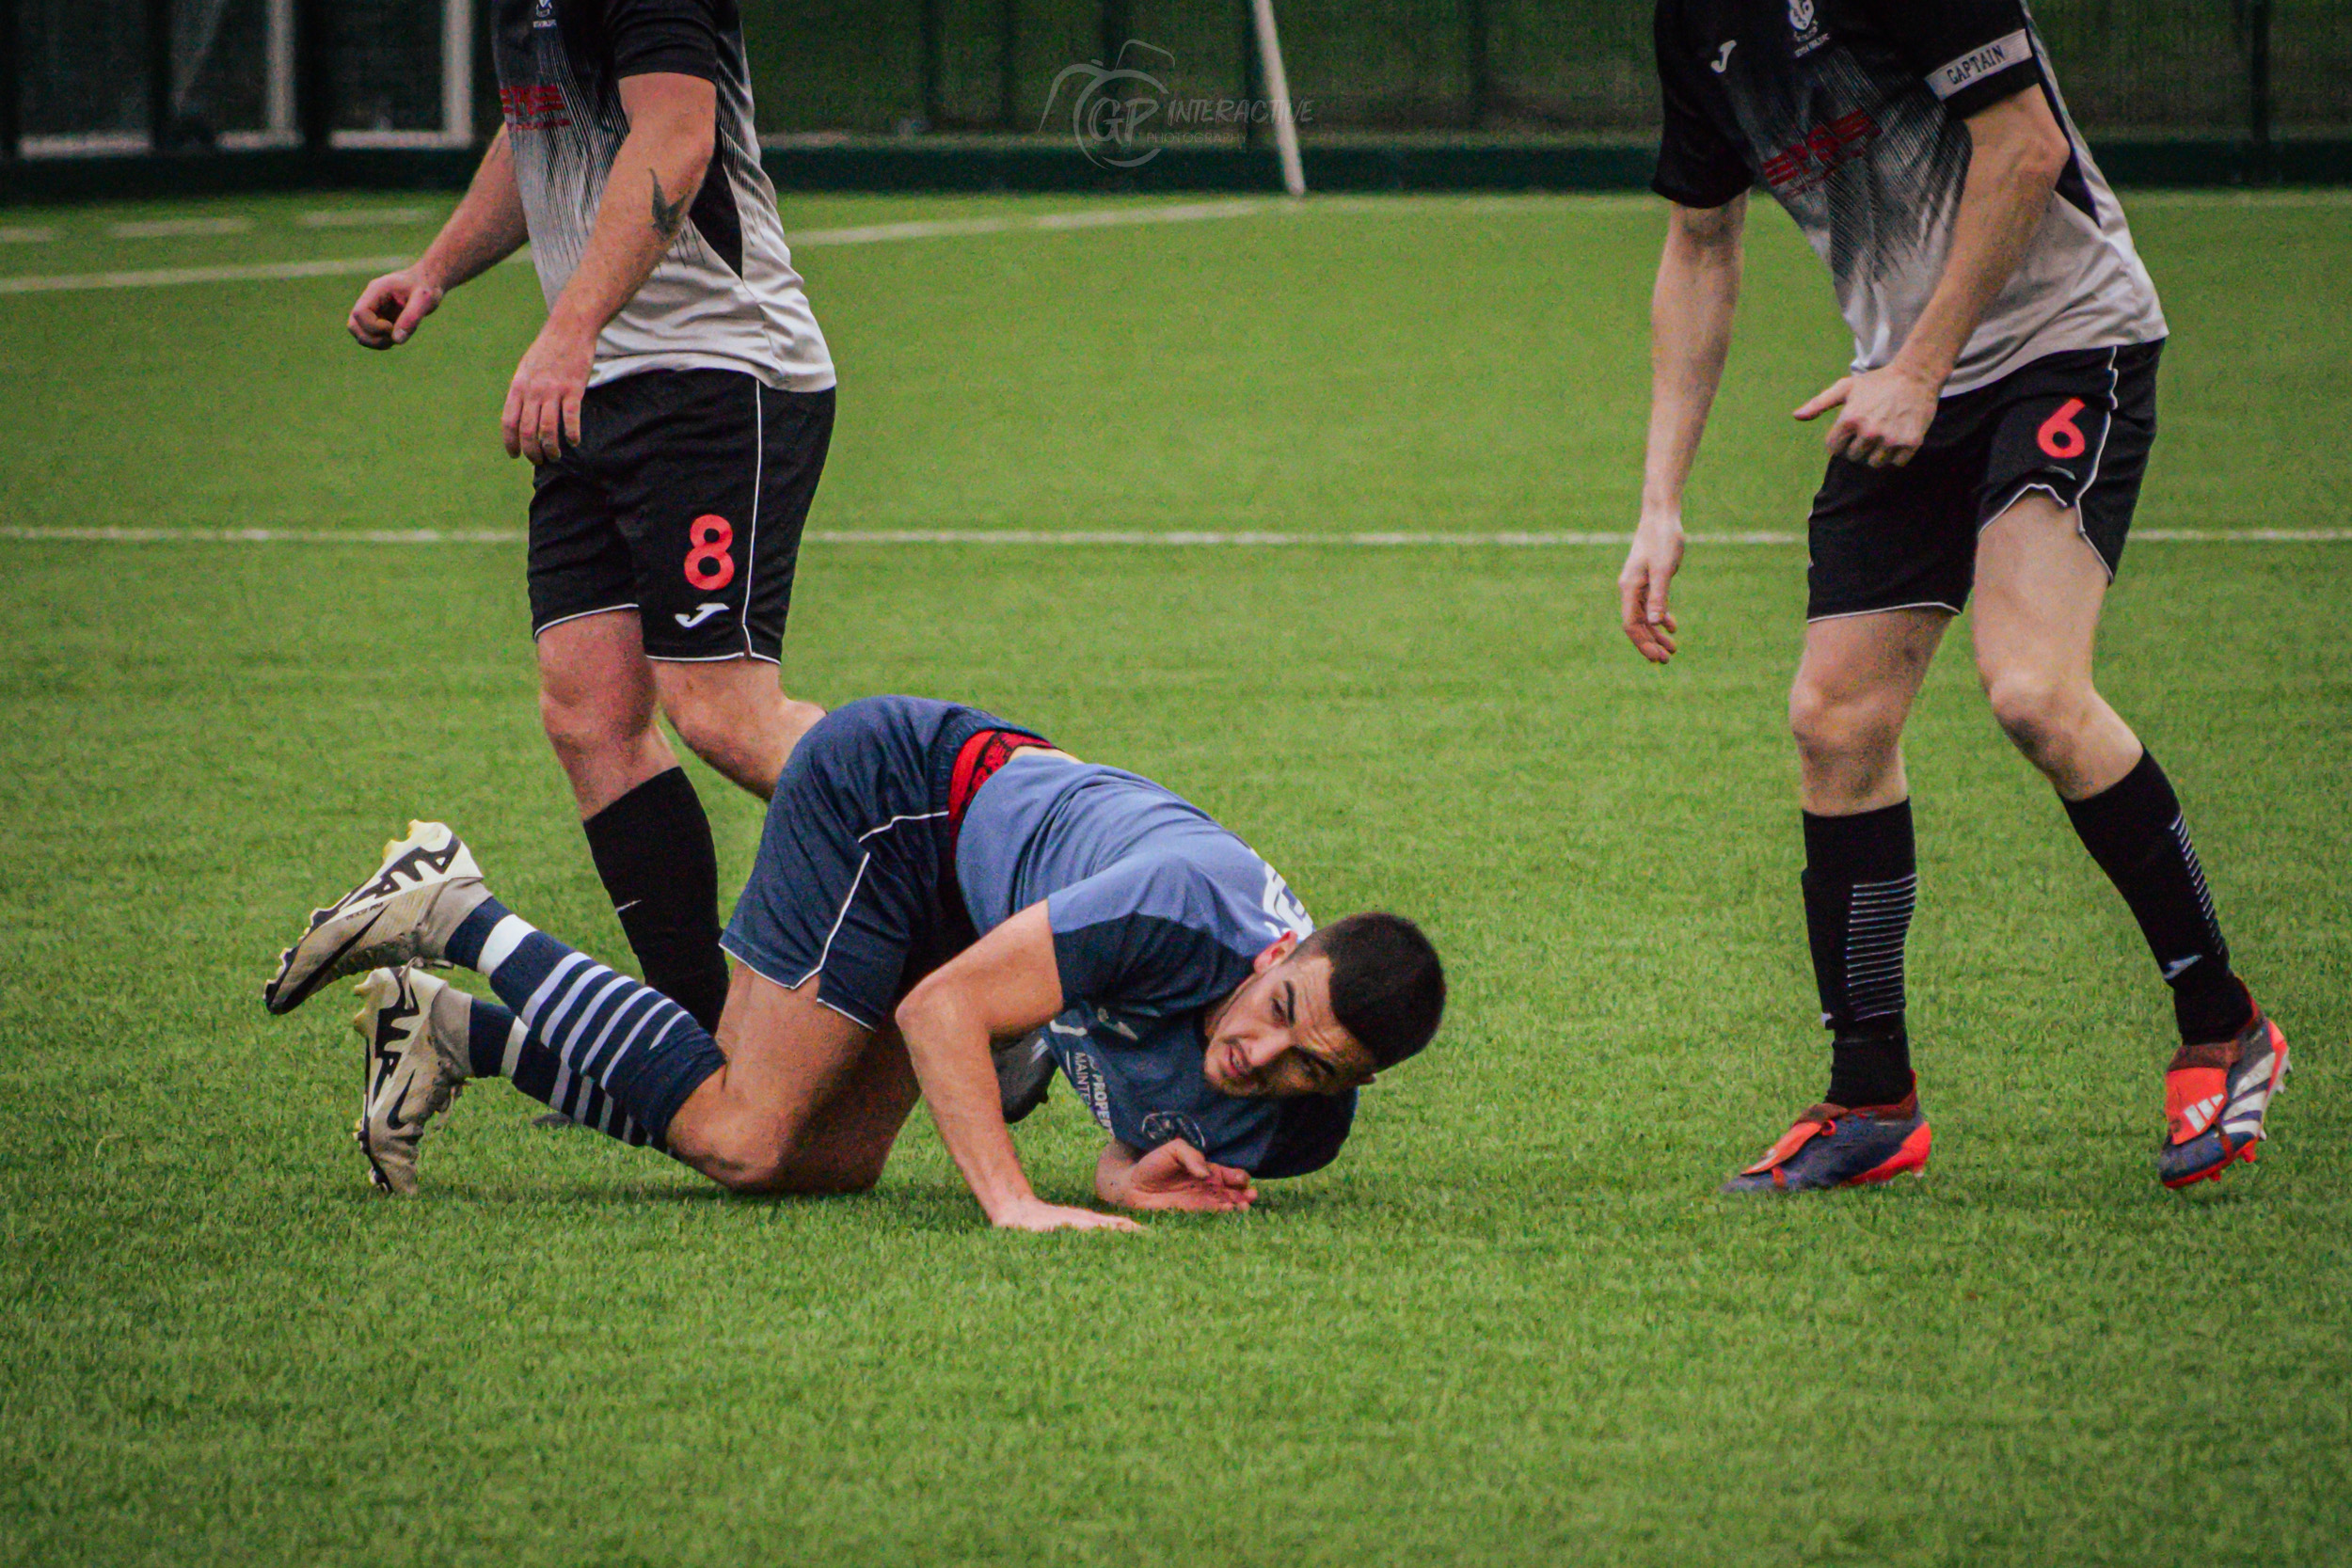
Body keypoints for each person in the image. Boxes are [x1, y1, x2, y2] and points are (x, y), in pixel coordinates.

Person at [1620, 0, 2286, 1193]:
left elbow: (2025, 146)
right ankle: (1872, 1097)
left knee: (2032, 689)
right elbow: (1699, 244)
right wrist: (1659, 500)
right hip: (1904, 380)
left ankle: (2221, 1020)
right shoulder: (1694, 22)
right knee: (1835, 719)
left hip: (2064, 344)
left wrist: (1922, 369)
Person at [262, 698, 1447, 1230]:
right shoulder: (1183, 907)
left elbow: (1129, 1116)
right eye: (1280, 1010)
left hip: (981, 893)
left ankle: (453, 1031)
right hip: (903, 807)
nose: (1261, 1055)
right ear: (1278, 949)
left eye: (1312, 1067)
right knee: (742, 1128)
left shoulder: (1292, 1131)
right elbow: (946, 1010)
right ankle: (450, 903)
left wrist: (1119, 1177)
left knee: (815, 1165)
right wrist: (1015, 1201)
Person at [343, 0, 835, 1037]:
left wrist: (568, 325)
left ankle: (984, 900)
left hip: (718, 373)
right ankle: (698, 1047)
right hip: (596, 384)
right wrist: (434, 269)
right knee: (590, 716)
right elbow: (541, 136)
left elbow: (676, 135)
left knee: (722, 712)